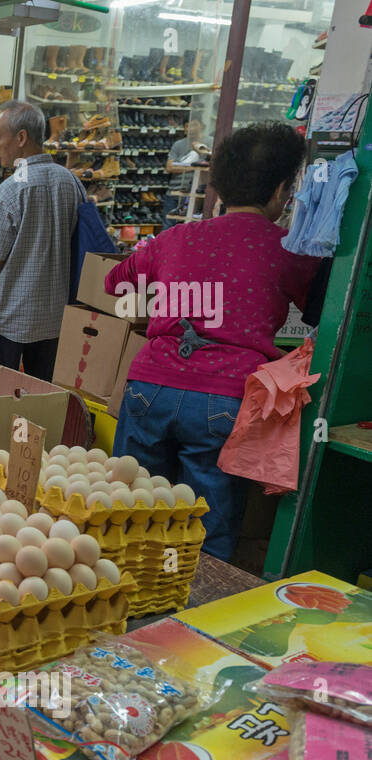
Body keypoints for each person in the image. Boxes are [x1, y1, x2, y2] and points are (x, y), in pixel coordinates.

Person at [106, 123, 319, 560]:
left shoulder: (175, 238)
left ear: (217, 186)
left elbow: (116, 282)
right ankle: (188, 607)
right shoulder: (288, 249)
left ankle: (126, 593)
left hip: (149, 387)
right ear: (283, 191)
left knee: (129, 508)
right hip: (222, 400)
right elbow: (320, 310)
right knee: (205, 522)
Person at [0, 100, 84, 379]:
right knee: (42, 393)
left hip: (10, 316)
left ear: (21, 138)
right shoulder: (71, 182)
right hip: (55, 318)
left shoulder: (12, 189)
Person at [163, 117, 211, 227]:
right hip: (175, 190)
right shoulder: (178, 144)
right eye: (187, 126)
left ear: (202, 126)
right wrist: (195, 166)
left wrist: (182, 166)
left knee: (192, 227)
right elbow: (169, 167)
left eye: (194, 125)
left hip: (197, 193)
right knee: (168, 227)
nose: (190, 128)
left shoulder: (210, 141)